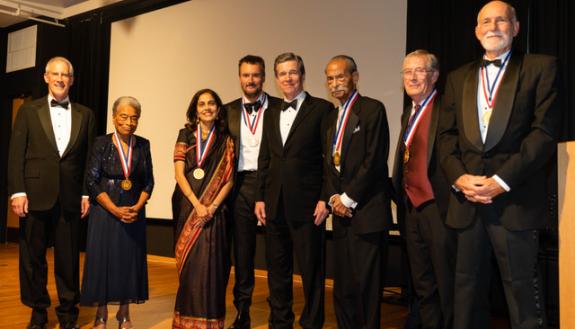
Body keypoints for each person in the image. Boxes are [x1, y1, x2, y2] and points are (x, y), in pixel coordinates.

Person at [438, 1, 560, 328]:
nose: (493, 27)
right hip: (467, 203)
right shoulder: (457, 77)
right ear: (477, 32)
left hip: (515, 199)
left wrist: (500, 181)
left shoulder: (541, 67)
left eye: (501, 20)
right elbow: (446, 137)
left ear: (515, 27)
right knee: (465, 293)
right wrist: (460, 178)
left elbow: (544, 134)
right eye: (485, 21)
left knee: (522, 295)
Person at [7, 56, 96, 329]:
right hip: (34, 195)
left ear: (72, 79)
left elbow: (89, 159)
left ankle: (68, 313)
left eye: (65, 75)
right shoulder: (28, 111)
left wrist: (85, 194)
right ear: (46, 77)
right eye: (55, 74)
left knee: (68, 259)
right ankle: (38, 310)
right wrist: (17, 191)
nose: (60, 79)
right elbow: (15, 154)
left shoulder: (87, 114)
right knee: (32, 259)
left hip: (70, 197)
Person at [255, 52, 332, 329]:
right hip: (274, 203)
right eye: (283, 73)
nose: (288, 77)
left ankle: (312, 323)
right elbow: (265, 157)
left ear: (302, 75)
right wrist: (260, 197)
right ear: (276, 79)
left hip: (309, 205)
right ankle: (280, 321)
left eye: (293, 72)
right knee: (277, 269)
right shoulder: (270, 111)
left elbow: (329, 159)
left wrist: (325, 198)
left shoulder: (322, 109)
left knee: (311, 270)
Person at [323, 55, 391, 329]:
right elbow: (328, 163)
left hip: (366, 212)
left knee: (367, 289)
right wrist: (333, 200)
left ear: (355, 77)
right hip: (341, 215)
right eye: (330, 78)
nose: (335, 83)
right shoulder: (331, 117)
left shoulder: (373, 109)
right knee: (343, 288)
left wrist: (347, 198)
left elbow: (374, 160)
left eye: (340, 76)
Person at [392, 50, 455, 329]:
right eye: (408, 71)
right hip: (411, 211)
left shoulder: (447, 109)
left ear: (434, 76)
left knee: (447, 284)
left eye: (420, 71)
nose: (413, 77)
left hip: (439, 210)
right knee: (423, 285)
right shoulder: (409, 112)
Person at [80, 96, 154, 329]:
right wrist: (114, 209)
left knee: (129, 263)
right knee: (102, 262)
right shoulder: (101, 143)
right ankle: (101, 314)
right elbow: (91, 182)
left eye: (134, 118)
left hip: (133, 213)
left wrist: (136, 207)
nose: (129, 122)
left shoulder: (143, 144)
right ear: (114, 117)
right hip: (105, 212)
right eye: (124, 116)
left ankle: (124, 313)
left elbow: (149, 182)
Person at [225, 55, 282, 329]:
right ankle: (242, 311)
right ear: (239, 78)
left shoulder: (282, 108)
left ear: (264, 78)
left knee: (277, 252)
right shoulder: (227, 111)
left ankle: (278, 313)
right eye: (246, 75)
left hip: (274, 186)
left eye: (256, 75)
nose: (251, 80)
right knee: (243, 253)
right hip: (240, 187)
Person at [171, 89, 234, 329]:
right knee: (189, 267)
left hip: (215, 212)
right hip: (188, 207)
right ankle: (185, 321)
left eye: (211, 103)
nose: (206, 107)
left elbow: (229, 180)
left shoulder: (226, 138)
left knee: (212, 267)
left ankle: (210, 323)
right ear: (195, 109)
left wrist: (212, 206)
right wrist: (197, 205)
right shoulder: (185, 134)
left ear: (218, 109)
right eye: (201, 104)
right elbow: (179, 173)